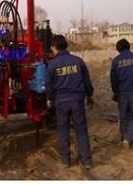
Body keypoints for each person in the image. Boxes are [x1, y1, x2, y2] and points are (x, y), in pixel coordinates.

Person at [45, 35, 94, 169]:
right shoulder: (78, 61)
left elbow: (49, 85)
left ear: (54, 48)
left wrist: (49, 99)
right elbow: (87, 81)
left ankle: (66, 160)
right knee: (81, 130)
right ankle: (87, 160)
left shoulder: (52, 65)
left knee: (63, 130)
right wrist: (90, 96)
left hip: (61, 102)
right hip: (77, 100)